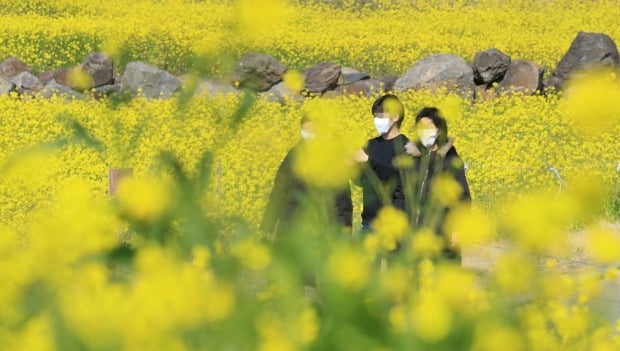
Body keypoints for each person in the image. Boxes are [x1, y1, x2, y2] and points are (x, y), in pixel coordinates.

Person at [260, 116, 353, 240]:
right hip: (291, 226)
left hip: (323, 229)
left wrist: (345, 229)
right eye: (305, 130)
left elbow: (342, 200)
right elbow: (278, 193)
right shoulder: (293, 156)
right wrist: (267, 226)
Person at [404, 107, 471, 259]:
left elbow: (463, 197)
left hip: (443, 235)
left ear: (439, 130)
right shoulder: (412, 157)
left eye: (428, 127)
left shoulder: (450, 160)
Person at [353, 94, 410, 233]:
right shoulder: (370, 145)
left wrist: (368, 161)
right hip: (368, 222)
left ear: (395, 117)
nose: (376, 120)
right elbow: (361, 183)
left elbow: (397, 177)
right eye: (375, 117)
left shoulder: (406, 147)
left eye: (380, 116)